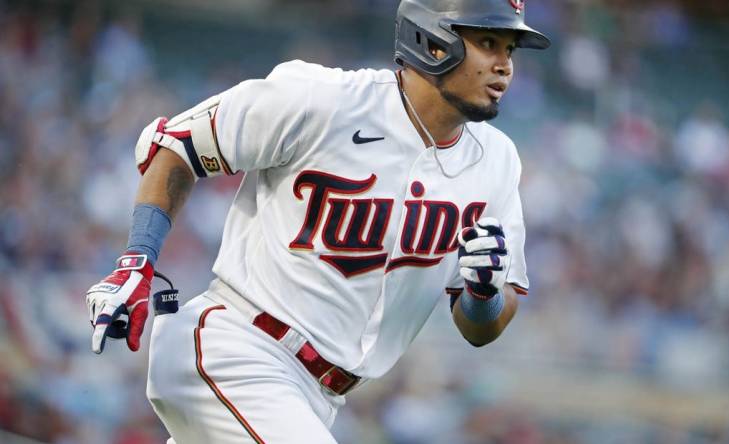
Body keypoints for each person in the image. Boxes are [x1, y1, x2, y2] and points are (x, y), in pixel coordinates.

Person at [85, 0, 550, 442]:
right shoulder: (323, 100)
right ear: (433, 40)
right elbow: (178, 147)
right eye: (488, 42)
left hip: (319, 398)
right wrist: (137, 260)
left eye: (509, 49)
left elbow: (481, 328)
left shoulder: (497, 162)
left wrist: (484, 292)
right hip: (236, 350)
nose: (505, 65)